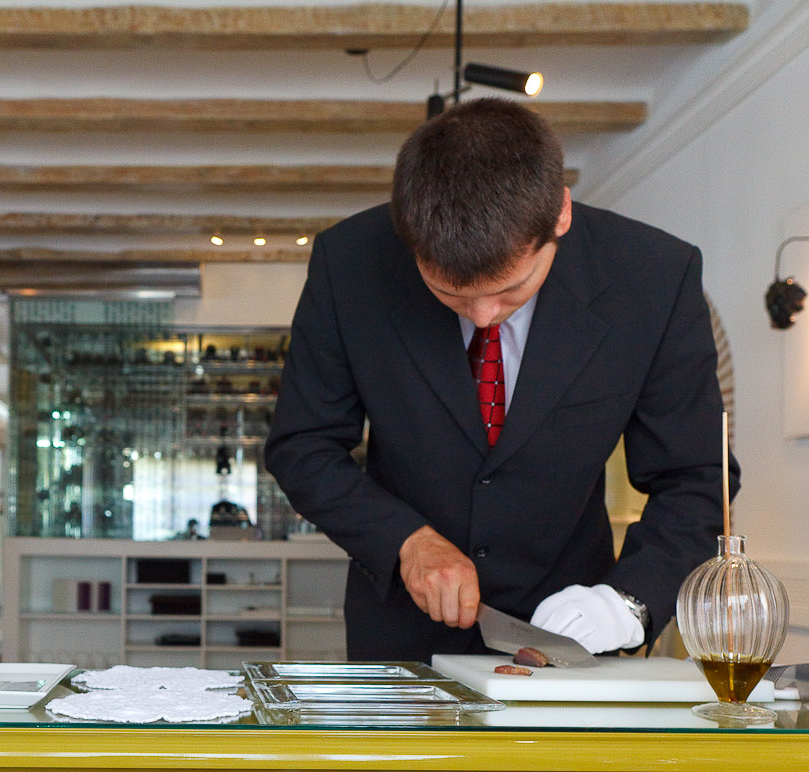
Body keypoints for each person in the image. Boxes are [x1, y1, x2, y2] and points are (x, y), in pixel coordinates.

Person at [264, 97, 738, 662]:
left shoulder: (655, 278)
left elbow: (696, 476)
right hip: (400, 636)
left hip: (571, 631)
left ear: (560, 215)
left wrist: (627, 602)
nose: (485, 317)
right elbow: (303, 445)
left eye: (512, 290)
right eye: (451, 296)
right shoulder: (349, 266)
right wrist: (405, 543)